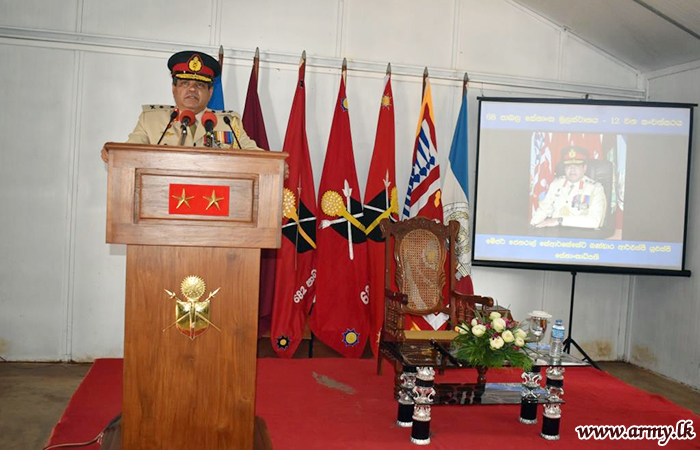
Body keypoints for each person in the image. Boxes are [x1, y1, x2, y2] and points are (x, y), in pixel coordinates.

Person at [126, 50, 258, 148]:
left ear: (210, 91)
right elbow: (128, 153)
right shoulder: (150, 121)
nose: (192, 89)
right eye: (185, 83)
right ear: (174, 88)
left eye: (199, 85)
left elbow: (256, 157)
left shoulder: (229, 122)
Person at [530, 146, 607, 229]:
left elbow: (594, 221)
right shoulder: (556, 184)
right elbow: (544, 210)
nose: (572, 169)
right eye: (568, 166)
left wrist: (559, 220)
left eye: (576, 165)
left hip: (581, 235)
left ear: (584, 168)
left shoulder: (595, 188)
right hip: (555, 234)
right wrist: (532, 225)